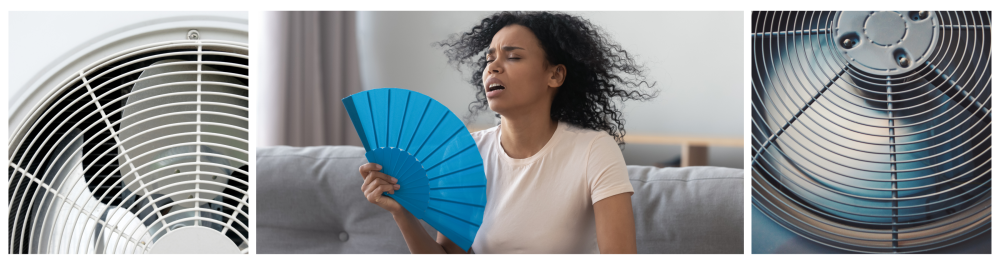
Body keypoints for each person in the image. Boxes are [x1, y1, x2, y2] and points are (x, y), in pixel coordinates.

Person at [358, 11, 656, 254]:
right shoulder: (466, 153)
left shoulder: (594, 150)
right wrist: (402, 213)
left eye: (512, 57)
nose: (493, 68)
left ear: (555, 75)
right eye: (489, 60)